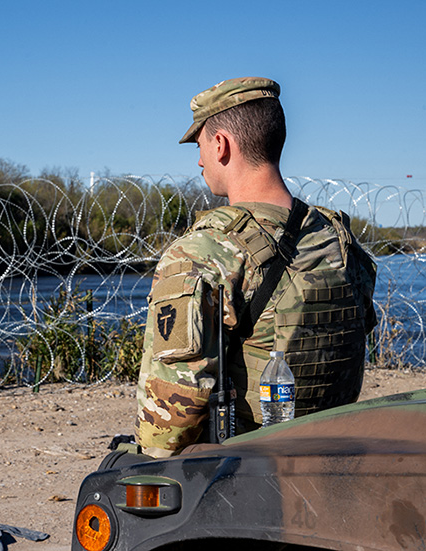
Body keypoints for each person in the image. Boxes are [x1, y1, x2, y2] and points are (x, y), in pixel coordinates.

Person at [135, 77, 377, 458]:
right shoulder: (338, 239)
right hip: (336, 457)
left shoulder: (204, 251)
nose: (199, 161)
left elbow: (167, 426)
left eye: (199, 147)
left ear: (221, 144)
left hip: (249, 473)